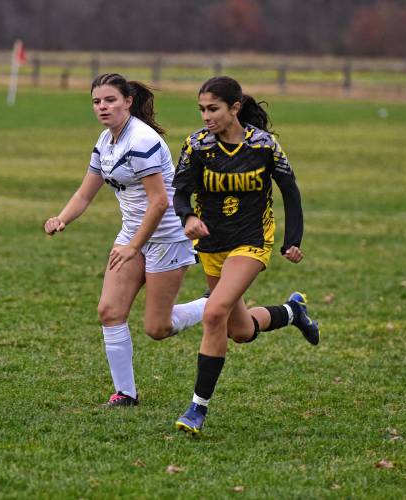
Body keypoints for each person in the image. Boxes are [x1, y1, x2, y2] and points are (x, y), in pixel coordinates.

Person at [44, 73, 208, 407]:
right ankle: (126, 395)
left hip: (165, 237)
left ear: (128, 101)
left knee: (158, 328)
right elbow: (85, 193)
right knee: (109, 311)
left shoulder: (141, 141)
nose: (102, 107)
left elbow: (160, 202)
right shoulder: (106, 141)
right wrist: (62, 217)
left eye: (110, 100)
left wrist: (134, 246)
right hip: (132, 236)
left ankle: (212, 303)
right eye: (96, 101)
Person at [171, 76, 320, 435]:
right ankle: (291, 312)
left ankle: (197, 409)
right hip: (211, 244)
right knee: (239, 331)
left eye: (213, 109)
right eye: (202, 109)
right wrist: (188, 216)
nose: (206, 116)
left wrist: (292, 239)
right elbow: (179, 193)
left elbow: (291, 191)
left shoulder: (265, 145)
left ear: (234, 108)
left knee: (215, 313)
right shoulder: (196, 146)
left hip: (252, 241)